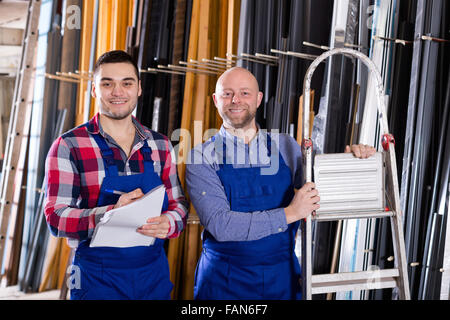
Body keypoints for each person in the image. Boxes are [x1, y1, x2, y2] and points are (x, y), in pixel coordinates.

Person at [185, 67, 376, 300]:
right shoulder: (202, 158)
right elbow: (222, 225)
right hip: (225, 281)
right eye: (227, 94)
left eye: (245, 93)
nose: (236, 100)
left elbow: (323, 187)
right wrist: (290, 213)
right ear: (216, 100)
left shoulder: (286, 147)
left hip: (281, 279)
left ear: (258, 99)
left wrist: (352, 159)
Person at [44, 50, 188, 300]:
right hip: (96, 279)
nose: (117, 92)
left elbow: (178, 204)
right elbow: (55, 217)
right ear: (94, 89)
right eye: (107, 83)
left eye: (127, 83)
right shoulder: (69, 146)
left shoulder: (161, 145)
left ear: (139, 88)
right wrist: (109, 216)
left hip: (152, 275)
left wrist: (170, 222)